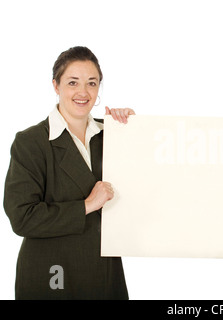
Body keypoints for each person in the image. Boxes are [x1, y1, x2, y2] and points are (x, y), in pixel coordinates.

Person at [3, 46, 135, 299]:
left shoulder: (112, 135)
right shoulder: (31, 142)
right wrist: (86, 205)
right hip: (53, 273)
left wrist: (135, 131)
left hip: (104, 273)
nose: (83, 92)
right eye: (73, 82)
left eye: (91, 83)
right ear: (56, 85)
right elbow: (22, 217)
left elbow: (150, 180)